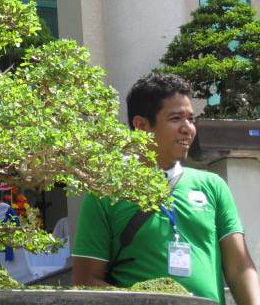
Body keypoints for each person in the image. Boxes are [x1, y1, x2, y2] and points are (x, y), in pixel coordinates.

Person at [72, 73, 260, 304]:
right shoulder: (106, 190)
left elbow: (239, 267)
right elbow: (86, 281)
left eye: (191, 119)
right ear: (141, 125)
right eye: (176, 119)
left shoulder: (213, 186)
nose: (188, 129)